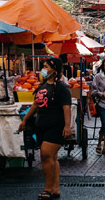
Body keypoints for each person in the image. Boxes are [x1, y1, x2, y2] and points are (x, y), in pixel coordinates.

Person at [18, 57, 71, 200]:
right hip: (41, 126)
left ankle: (47, 189)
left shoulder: (62, 88)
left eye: (46, 67)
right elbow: (35, 105)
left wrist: (67, 126)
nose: (43, 69)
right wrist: (25, 120)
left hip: (56, 127)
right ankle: (55, 188)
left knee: (46, 155)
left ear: (54, 70)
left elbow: (67, 107)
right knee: (52, 157)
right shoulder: (42, 86)